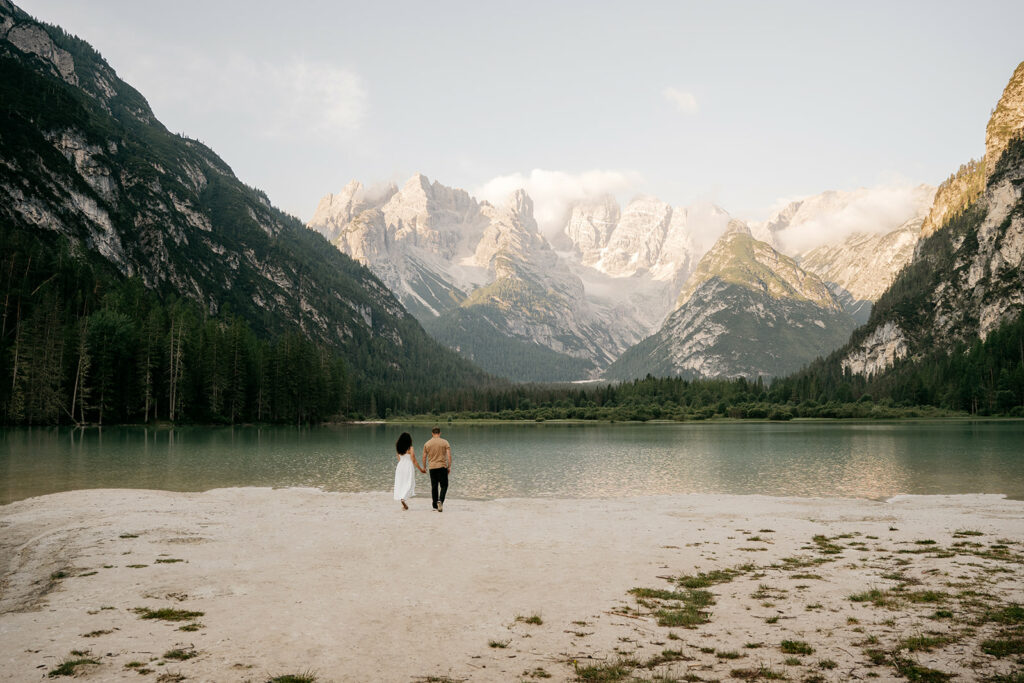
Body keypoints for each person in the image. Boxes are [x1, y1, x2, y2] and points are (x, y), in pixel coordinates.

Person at [422, 426, 452, 512]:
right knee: (444, 485)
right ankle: (440, 500)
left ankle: (435, 505)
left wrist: (424, 467)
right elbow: (449, 456)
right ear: (439, 433)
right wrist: (449, 466)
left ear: (432, 433)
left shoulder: (427, 443)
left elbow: (424, 457)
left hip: (432, 467)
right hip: (442, 466)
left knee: (434, 486)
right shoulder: (445, 442)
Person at [393, 431, 424, 510]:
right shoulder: (410, 448)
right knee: (409, 483)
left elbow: (399, 458)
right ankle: (403, 498)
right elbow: (413, 460)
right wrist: (421, 469)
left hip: (400, 466)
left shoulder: (398, 446)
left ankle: (403, 500)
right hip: (408, 466)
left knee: (401, 483)